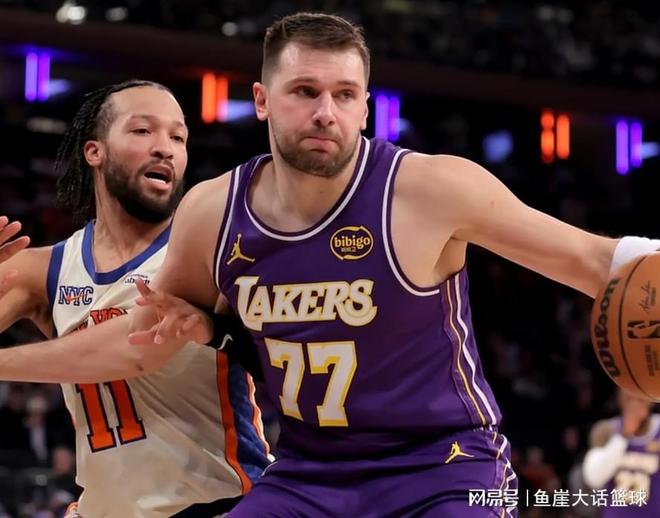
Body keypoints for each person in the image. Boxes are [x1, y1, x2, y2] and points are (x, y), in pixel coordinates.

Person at [1, 12, 657, 517]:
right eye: (305, 91)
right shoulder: (213, 211)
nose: (326, 112)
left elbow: (597, 258)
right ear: (262, 100)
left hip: (444, 466)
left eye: (346, 94)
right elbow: (142, 343)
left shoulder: (430, 190)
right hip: (310, 473)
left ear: (366, 105)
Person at [0, 80, 270, 517]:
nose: (165, 148)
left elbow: (131, 350)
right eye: (143, 130)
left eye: (178, 137)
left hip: (217, 506)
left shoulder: (205, 251)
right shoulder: (45, 268)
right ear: (95, 151)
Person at [583, 390, 659, 516]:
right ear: (619, 396)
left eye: (639, 397)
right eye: (628, 391)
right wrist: (623, 436)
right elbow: (593, 479)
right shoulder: (605, 429)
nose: (634, 398)